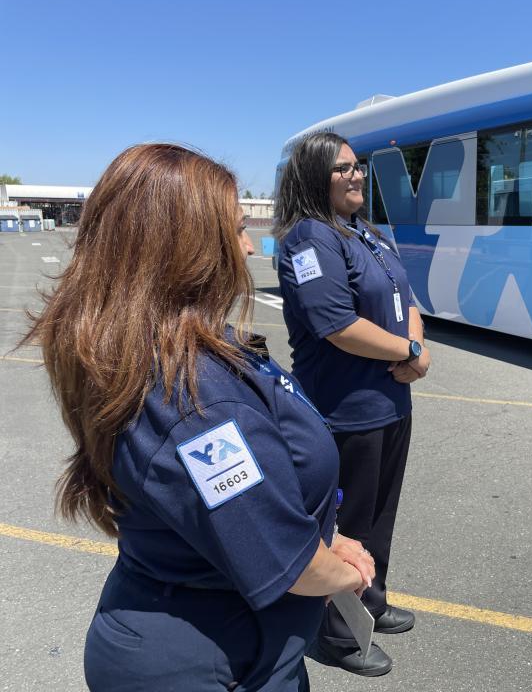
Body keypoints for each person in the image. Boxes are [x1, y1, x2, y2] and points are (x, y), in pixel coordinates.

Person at [23, 143, 375, 691]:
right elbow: (285, 560)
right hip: (210, 662)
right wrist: (348, 571)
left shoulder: (159, 352)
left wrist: (328, 538)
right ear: (187, 251)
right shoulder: (195, 401)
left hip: (240, 642)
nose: (251, 244)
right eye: (236, 229)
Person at [274, 132, 430, 676]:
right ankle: (335, 633)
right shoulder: (308, 239)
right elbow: (336, 324)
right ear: (316, 177)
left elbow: (404, 297)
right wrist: (409, 351)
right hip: (345, 411)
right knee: (348, 522)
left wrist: (417, 349)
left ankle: (370, 600)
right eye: (343, 169)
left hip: (391, 404)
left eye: (357, 166)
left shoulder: (364, 232)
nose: (356, 175)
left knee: (380, 515)